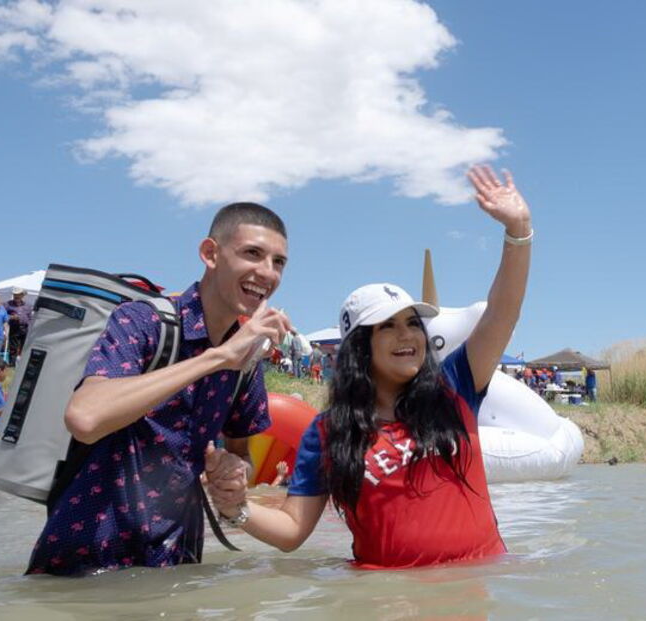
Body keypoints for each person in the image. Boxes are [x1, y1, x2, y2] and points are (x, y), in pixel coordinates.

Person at [205, 165, 532, 569]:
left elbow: (502, 313)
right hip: (385, 594)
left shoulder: (454, 388)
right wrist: (236, 508)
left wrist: (518, 230)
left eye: (413, 323)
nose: (407, 335)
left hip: (475, 586)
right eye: (388, 326)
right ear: (360, 348)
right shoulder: (329, 432)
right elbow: (292, 529)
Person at [26, 202, 291, 576]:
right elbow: (85, 417)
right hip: (85, 562)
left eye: (278, 262)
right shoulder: (143, 320)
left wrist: (234, 474)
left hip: (177, 561)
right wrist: (218, 357)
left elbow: (241, 457)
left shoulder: (246, 362)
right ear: (210, 254)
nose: (267, 272)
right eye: (252, 253)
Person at [4, 287, 32, 366]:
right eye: (15, 294)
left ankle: (22, 364)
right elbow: (3, 315)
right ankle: (12, 364)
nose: (16, 296)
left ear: (22, 295)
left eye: (18, 294)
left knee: (24, 346)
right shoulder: (7, 304)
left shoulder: (27, 305)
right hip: (14, 327)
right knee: (13, 347)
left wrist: (30, 326)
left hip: (25, 328)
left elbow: (30, 317)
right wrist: (11, 317)